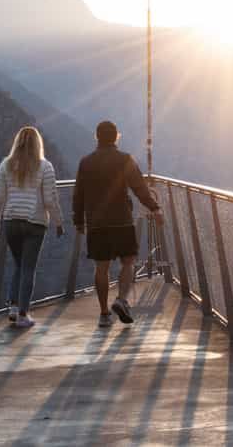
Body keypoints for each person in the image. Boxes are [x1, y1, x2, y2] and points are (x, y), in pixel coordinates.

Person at [73, 121, 164, 328]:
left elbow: (79, 194)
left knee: (101, 267)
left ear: (97, 137)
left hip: (96, 222)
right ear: (117, 137)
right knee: (129, 261)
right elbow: (140, 188)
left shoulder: (85, 162)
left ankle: (104, 313)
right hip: (122, 219)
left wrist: (78, 220)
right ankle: (121, 300)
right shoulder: (125, 160)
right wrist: (155, 208)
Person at [0, 126, 64, 328]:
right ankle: (23, 314)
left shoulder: (6, 165)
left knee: (19, 264)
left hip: (11, 222)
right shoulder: (45, 166)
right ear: (38, 143)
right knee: (28, 267)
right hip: (35, 223)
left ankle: (13, 306)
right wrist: (58, 221)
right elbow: (50, 199)